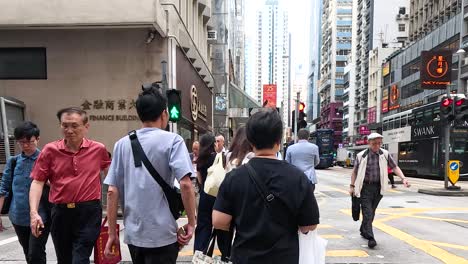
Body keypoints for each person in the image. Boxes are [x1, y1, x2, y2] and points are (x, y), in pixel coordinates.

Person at [213, 108, 320, 263]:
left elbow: (218, 221)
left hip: (245, 258)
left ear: (250, 141)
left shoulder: (234, 178)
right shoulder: (298, 178)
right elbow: (309, 225)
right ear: (278, 140)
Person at [103, 86, 196, 263]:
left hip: (134, 234)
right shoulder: (173, 140)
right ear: (164, 114)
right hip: (163, 234)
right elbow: (185, 184)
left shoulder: (122, 144)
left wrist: (112, 234)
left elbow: (112, 192)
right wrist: (191, 222)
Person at [29, 107, 111, 264]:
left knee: (80, 258)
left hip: (89, 212)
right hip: (60, 213)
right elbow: (38, 182)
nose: (69, 130)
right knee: (64, 259)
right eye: (64, 125)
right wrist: (34, 212)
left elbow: (111, 176)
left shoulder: (98, 149)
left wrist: (113, 207)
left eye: (74, 125)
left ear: (86, 127)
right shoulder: (50, 150)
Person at [0, 122, 50, 264]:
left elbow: (58, 185)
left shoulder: (47, 159)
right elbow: (3, 189)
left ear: (37, 139)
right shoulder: (13, 162)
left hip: (41, 216)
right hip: (18, 216)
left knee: (36, 253)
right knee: (28, 252)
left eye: (30, 142)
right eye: (22, 142)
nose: (26, 145)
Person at [349, 132, 410, 249]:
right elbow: (355, 172)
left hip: (378, 188)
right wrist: (352, 186)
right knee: (367, 212)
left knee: (372, 211)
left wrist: (403, 178)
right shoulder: (361, 156)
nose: (377, 146)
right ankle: (370, 237)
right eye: (374, 144)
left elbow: (394, 167)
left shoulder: (385, 154)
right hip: (365, 187)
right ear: (369, 143)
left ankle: (363, 229)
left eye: (379, 143)